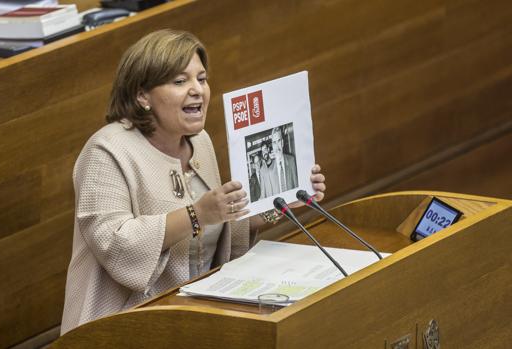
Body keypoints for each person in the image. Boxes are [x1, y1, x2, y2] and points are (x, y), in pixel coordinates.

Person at [60, 29, 326, 334]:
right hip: (120, 328)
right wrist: (196, 214)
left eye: (201, 78)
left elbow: (218, 224)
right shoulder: (106, 151)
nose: (197, 90)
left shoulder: (199, 142)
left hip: (194, 315)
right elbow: (117, 244)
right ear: (142, 95)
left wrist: (277, 205)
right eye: (179, 81)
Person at [271, 126, 298, 192]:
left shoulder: (291, 160)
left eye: (279, 141)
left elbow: (296, 185)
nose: (277, 146)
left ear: (282, 142)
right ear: (272, 146)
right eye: (274, 142)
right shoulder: (270, 170)